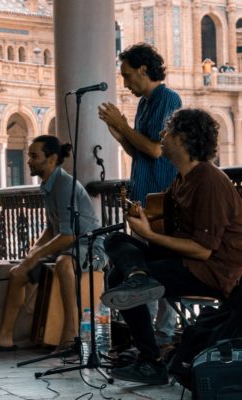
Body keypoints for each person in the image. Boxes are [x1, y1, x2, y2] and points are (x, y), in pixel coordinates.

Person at [101, 108, 242, 385]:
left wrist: (148, 235)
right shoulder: (182, 179)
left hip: (212, 271)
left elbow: (203, 250)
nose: (162, 136)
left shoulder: (210, 182)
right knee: (114, 241)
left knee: (118, 277)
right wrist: (144, 223)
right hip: (186, 259)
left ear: (183, 139)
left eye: (168, 132)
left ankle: (150, 361)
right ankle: (138, 277)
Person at [0, 135, 108, 352]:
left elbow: (69, 235)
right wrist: (32, 252)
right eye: (29, 155)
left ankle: (70, 335)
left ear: (52, 158)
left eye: (34, 156)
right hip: (68, 246)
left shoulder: (65, 184)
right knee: (19, 273)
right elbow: (51, 229)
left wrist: (36, 255)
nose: (29, 160)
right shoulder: (49, 184)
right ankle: (5, 336)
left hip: (90, 245)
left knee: (65, 264)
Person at [98, 43, 182, 346]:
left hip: (162, 199)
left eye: (128, 75)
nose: (125, 82)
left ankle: (164, 336)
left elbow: (156, 150)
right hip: (143, 195)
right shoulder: (145, 103)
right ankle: (147, 338)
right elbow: (138, 151)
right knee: (140, 265)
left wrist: (123, 125)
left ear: (144, 70)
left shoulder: (168, 98)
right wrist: (119, 133)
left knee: (159, 267)